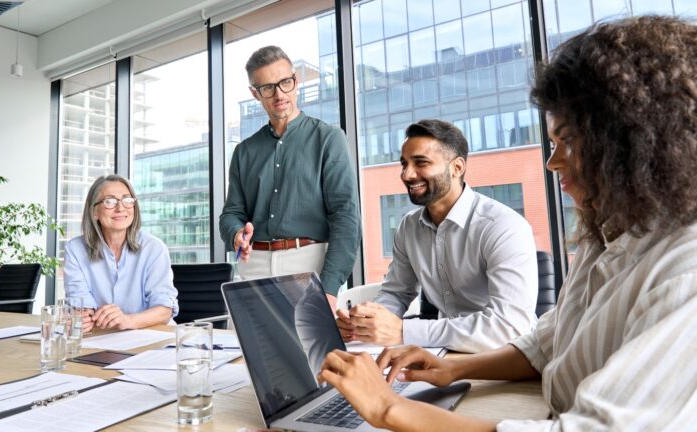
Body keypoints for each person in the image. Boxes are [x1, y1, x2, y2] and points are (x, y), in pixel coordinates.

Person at [319, 16, 697, 431]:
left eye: (566, 141)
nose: (552, 162)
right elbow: (547, 341)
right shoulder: (603, 235)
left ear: (633, 139)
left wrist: (388, 407)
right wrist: (450, 369)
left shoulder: (684, 270)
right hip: (509, 387)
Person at [336, 119, 537, 352]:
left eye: (421, 163)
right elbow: (396, 293)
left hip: (506, 356)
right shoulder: (409, 227)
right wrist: (367, 324)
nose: (407, 175)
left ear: (457, 168)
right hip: (445, 351)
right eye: (404, 164)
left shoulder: (503, 226)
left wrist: (403, 331)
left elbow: (508, 326)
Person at [219, 45, 361, 307]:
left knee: (309, 348)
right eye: (267, 88)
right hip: (254, 266)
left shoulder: (329, 139)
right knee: (244, 347)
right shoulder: (244, 151)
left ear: (295, 81)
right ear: (255, 93)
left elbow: (346, 216)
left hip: (308, 264)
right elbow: (231, 213)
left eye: (285, 82)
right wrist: (236, 233)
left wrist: (329, 288)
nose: (279, 94)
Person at [64, 174, 178, 332]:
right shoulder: (75, 249)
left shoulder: (154, 248)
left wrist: (127, 320)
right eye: (109, 201)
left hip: (154, 338)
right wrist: (82, 317)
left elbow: (164, 310)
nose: (120, 208)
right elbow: (80, 301)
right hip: (103, 338)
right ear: (94, 211)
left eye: (127, 200)